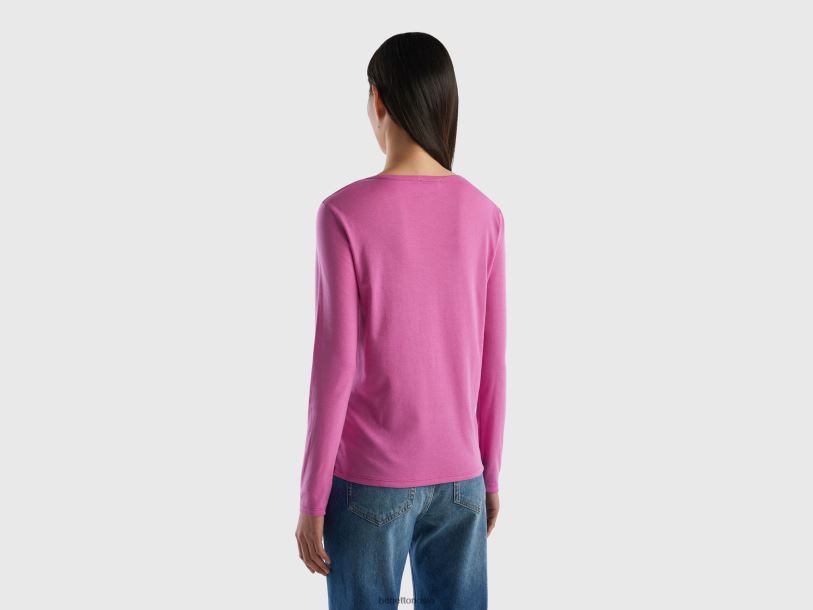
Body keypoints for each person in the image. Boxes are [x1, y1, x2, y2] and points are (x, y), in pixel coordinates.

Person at [294, 32, 507, 610]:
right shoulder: (485, 213)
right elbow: (492, 362)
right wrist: (489, 473)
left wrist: (312, 496)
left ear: (378, 99)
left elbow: (334, 366)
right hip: (461, 477)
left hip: (370, 481)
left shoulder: (343, 213)